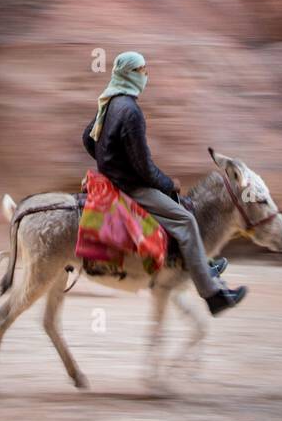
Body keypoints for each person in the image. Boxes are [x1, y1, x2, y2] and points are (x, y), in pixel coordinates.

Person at [82, 51, 247, 316]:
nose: (146, 75)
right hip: (130, 186)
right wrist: (168, 183)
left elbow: (87, 139)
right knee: (186, 219)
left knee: (181, 208)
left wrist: (108, 162)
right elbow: (143, 168)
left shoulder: (110, 101)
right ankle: (212, 295)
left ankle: (200, 264)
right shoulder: (131, 111)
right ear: (128, 74)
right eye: (141, 70)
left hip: (115, 180)